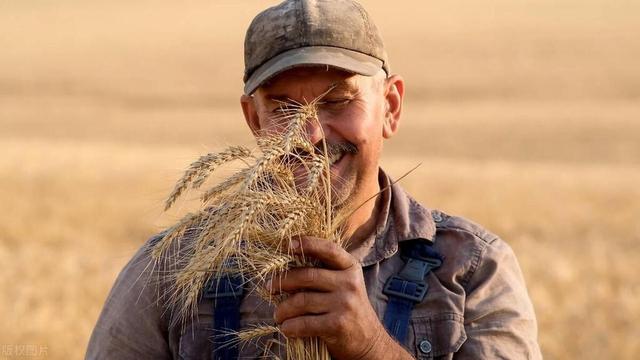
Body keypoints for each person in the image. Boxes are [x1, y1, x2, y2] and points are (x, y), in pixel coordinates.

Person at [86, 0, 542, 359]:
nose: (310, 135)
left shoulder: (473, 269)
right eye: (284, 106)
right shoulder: (171, 271)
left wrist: (369, 347)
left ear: (391, 106)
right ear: (254, 120)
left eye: (337, 101)